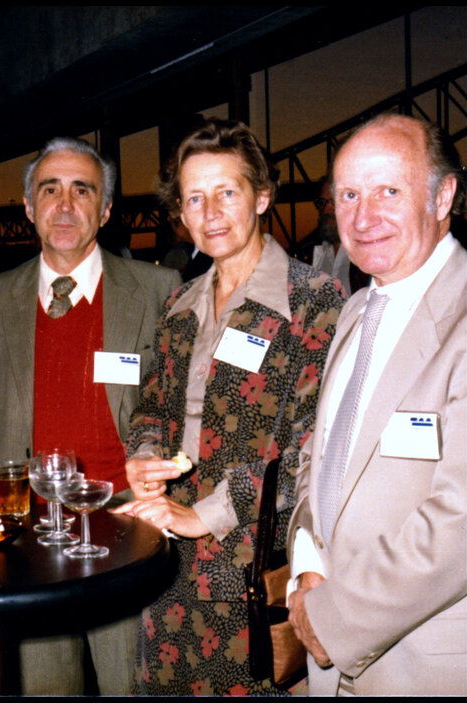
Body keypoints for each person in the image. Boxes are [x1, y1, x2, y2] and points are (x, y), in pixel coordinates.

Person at [110, 118, 345, 695]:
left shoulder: (313, 301)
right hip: (165, 556)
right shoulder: (179, 305)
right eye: (195, 198)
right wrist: (142, 457)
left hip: (249, 563)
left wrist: (203, 515)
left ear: (261, 197)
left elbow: (311, 445)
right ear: (181, 214)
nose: (211, 212)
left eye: (227, 193)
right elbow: (153, 407)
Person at [0, 137, 181, 695]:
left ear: (106, 209)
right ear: (29, 208)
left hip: (127, 532)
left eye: (83, 190)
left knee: (132, 687)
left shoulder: (158, 290)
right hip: (32, 540)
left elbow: (176, 414)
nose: (66, 205)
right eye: (50, 190)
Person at [287, 113, 467, 696]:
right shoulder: (357, 310)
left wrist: (332, 618)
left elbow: (460, 522)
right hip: (328, 652)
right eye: (348, 195)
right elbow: (319, 455)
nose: (363, 219)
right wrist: (306, 562)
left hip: (424, 665)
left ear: (443, 196)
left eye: (389, 191)